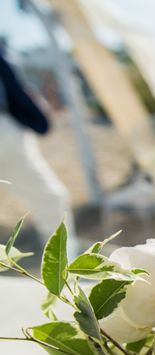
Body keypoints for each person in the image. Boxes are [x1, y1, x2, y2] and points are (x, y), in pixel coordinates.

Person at [0, 43, 77, 255]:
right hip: (6, 133)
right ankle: (64, 268)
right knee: (51, 199)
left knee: (51, 199)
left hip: (8, 132)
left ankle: (63, 265)